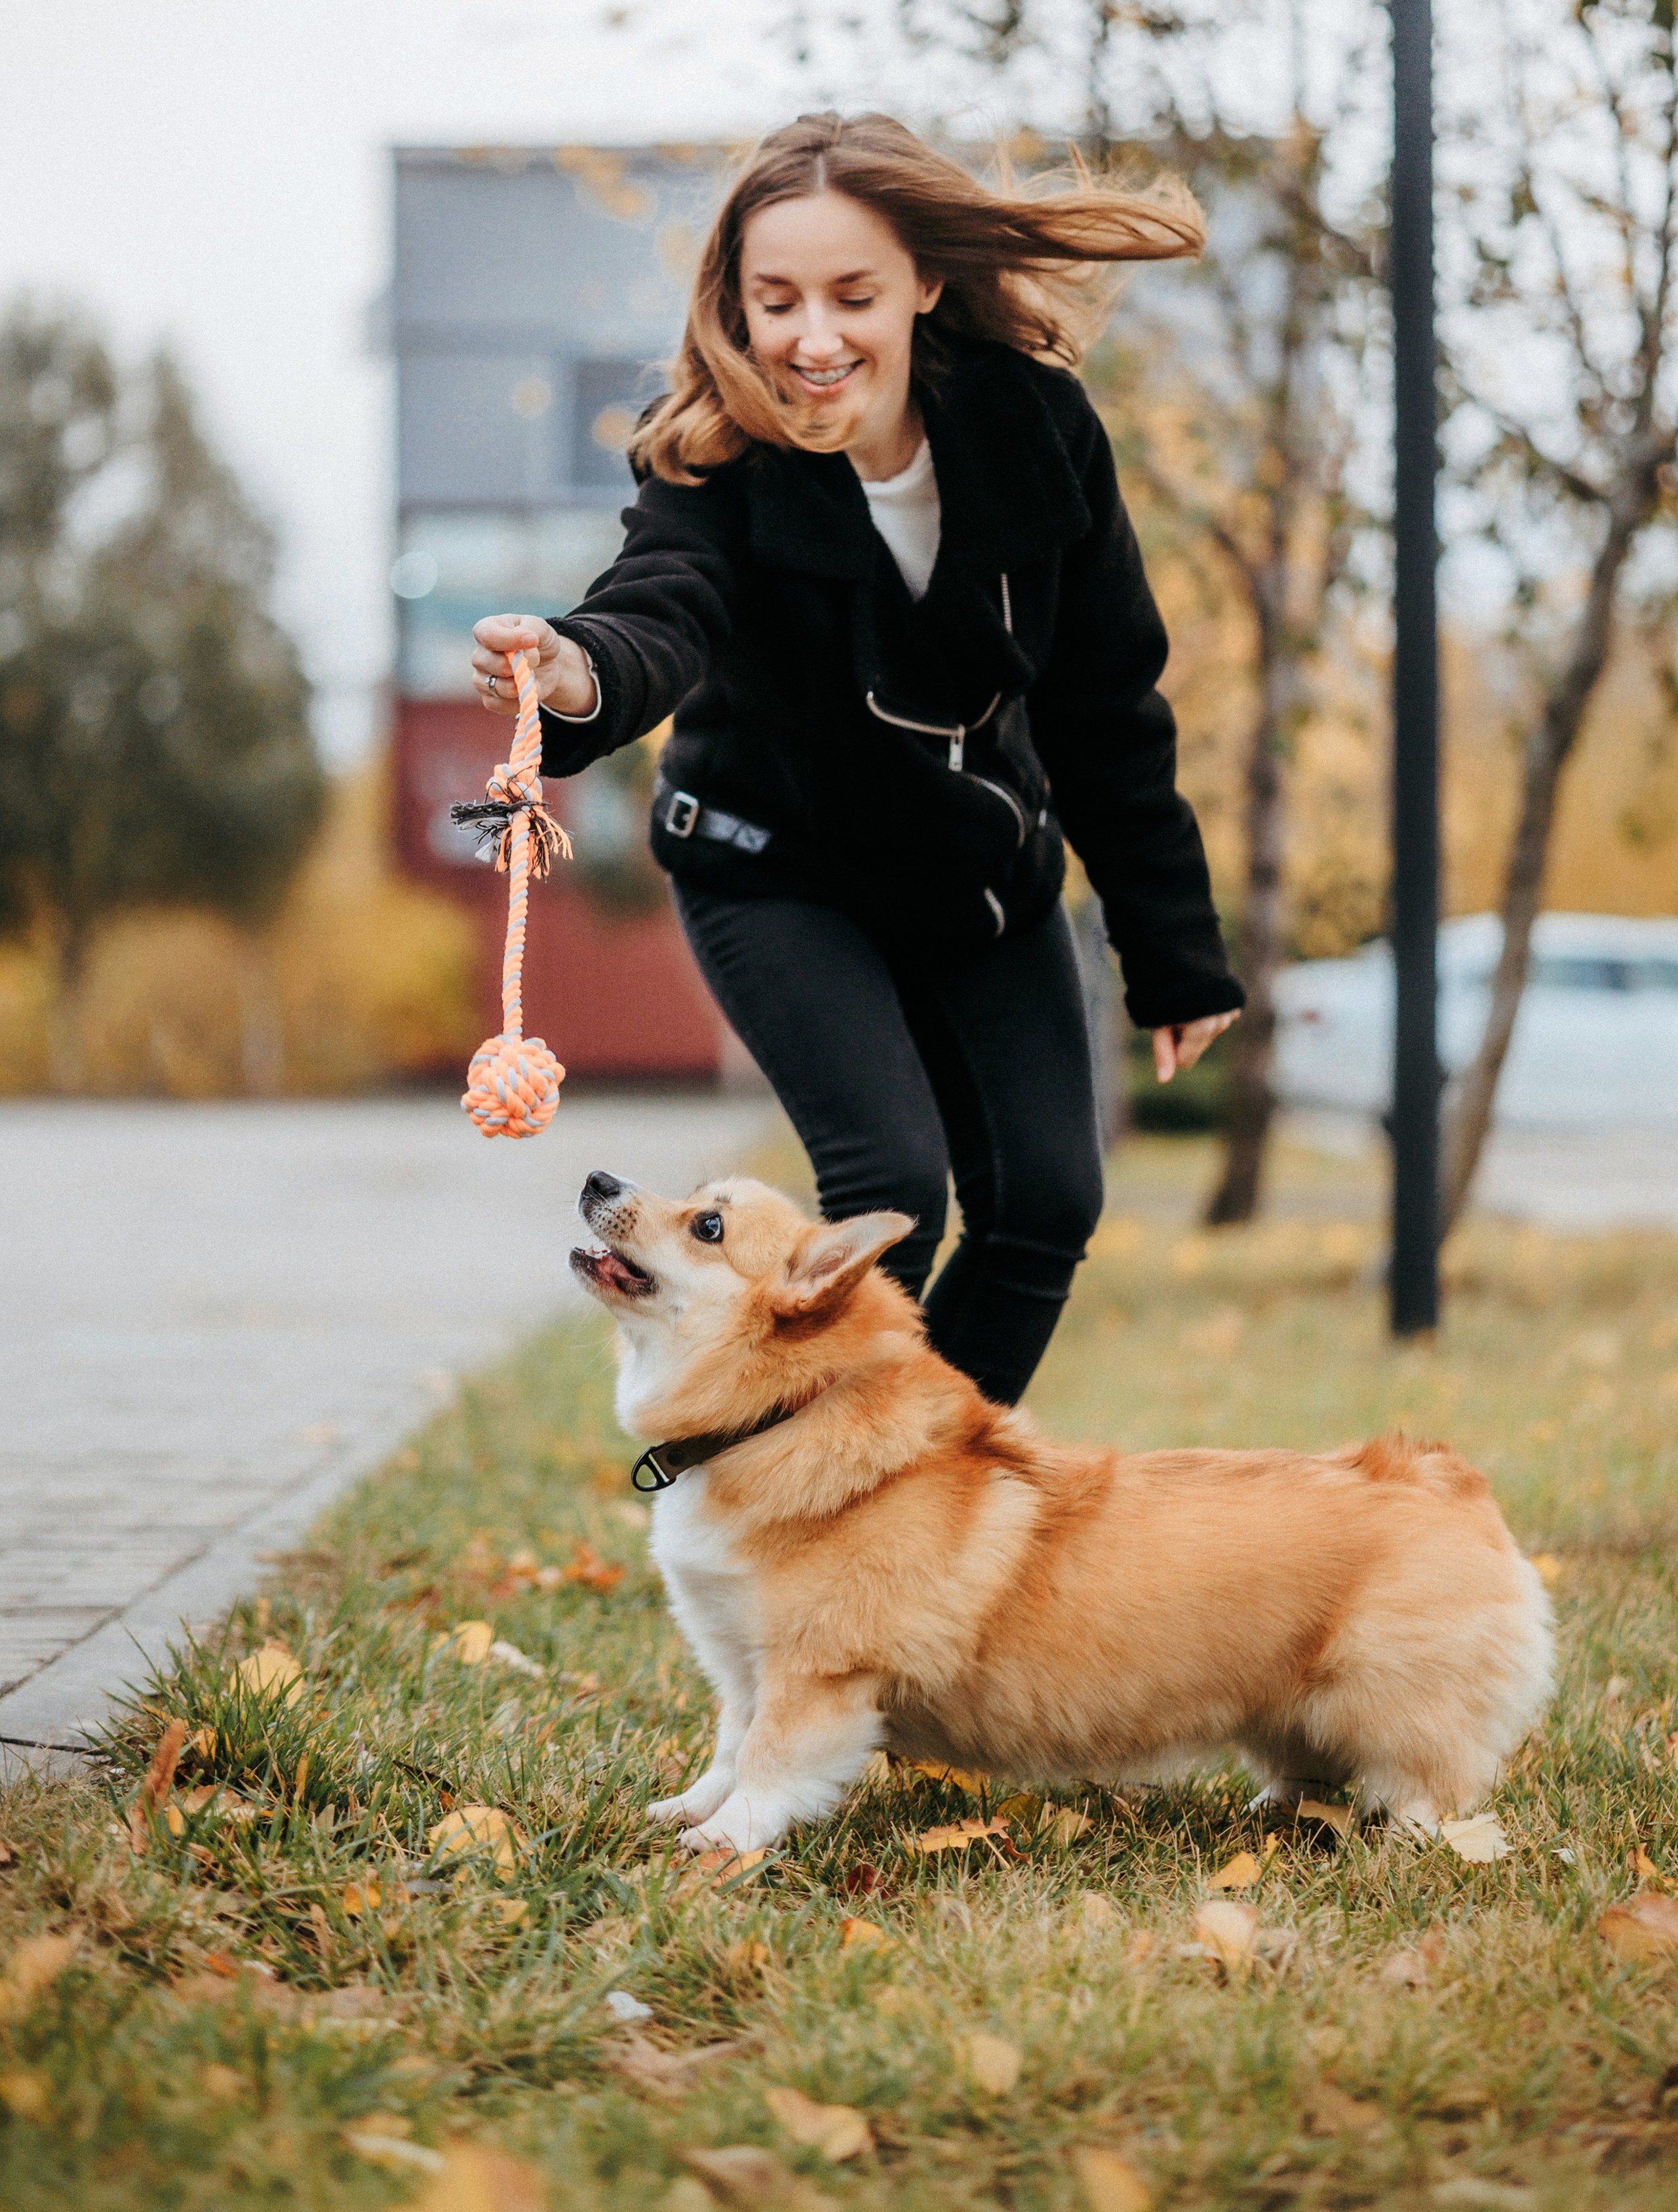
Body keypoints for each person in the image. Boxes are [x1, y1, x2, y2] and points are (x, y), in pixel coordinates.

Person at [471, 112, 1241, 1408]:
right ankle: (811, 1520)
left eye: (850, 295)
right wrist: (576, 673)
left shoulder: (1033, 428)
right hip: (778, 869)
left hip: (972, 869)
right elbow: (661, 602)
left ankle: (910, 1508)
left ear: (921, 287)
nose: (811, 338)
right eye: (776, 301)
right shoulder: (714, 451)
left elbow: (1104, 701)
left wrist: (1169, 947)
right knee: (890, 1195)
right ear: (737, 305)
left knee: (1047, 1200)